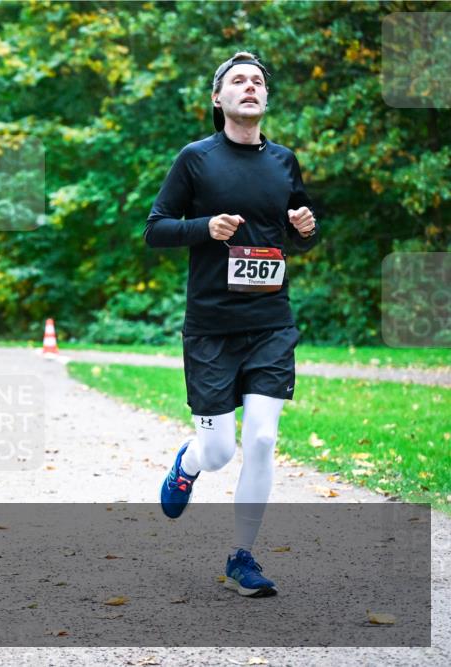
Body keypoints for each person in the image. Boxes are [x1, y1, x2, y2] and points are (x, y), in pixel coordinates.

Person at [144, 51, 320, 598]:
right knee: (220, 450)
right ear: (218, 99)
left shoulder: (284, 162)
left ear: (265, 99)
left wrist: (305, 226)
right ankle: (188, 464)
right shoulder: (195, 160)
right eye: (238, 81)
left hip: (271, 320)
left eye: (258, 81)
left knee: (263, 438)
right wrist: (206, 227)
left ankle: (242, 556)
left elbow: (302, 229)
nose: (250, 87)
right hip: (212, 325)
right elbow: (156, 229)